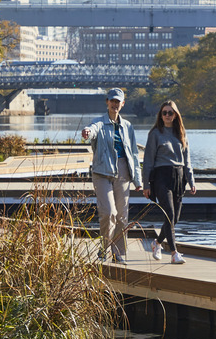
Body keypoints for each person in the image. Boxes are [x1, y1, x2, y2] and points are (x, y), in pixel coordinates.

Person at [81, 88, 141, 263]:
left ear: (123, 104)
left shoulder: (128, 126)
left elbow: (134, 154)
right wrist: (87, 132)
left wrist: (137, 179)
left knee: (122, 216)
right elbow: (92, 129)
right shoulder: (99, 122)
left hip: (123, 171)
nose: (115, 104)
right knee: (109, 212)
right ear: (107, 102)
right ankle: (104, 248)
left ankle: (118, 253)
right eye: (112, 101)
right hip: (102, 172)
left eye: (118, 101)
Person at [142, 100, 196, 264]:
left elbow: (187, 161)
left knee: (175, 218)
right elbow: (148, 161)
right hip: (161, 177)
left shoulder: (181, 133)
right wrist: (146, 185)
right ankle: (174, 253)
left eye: (170, 113)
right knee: (170, 214)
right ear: (160, 115)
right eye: (164, 112)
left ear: (175, 115)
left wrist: (191, 180)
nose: (167, 115)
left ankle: (157, 243)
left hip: (179, 177)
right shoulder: (155, 134)